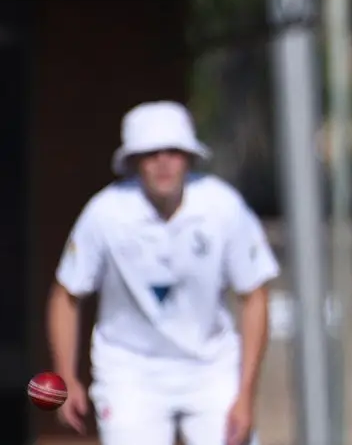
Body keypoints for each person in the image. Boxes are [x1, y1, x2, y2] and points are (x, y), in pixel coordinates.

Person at [47, 100, 280, 445]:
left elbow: (255, 295)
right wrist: (65, 375)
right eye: (151, 153)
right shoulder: (105, 214)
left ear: (189, 157)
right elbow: (66, 294)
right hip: (130, 372)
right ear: (134, 162)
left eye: (173, 151)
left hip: (210, 369)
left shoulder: (223, 207)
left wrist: (245, 393)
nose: (163, 163)